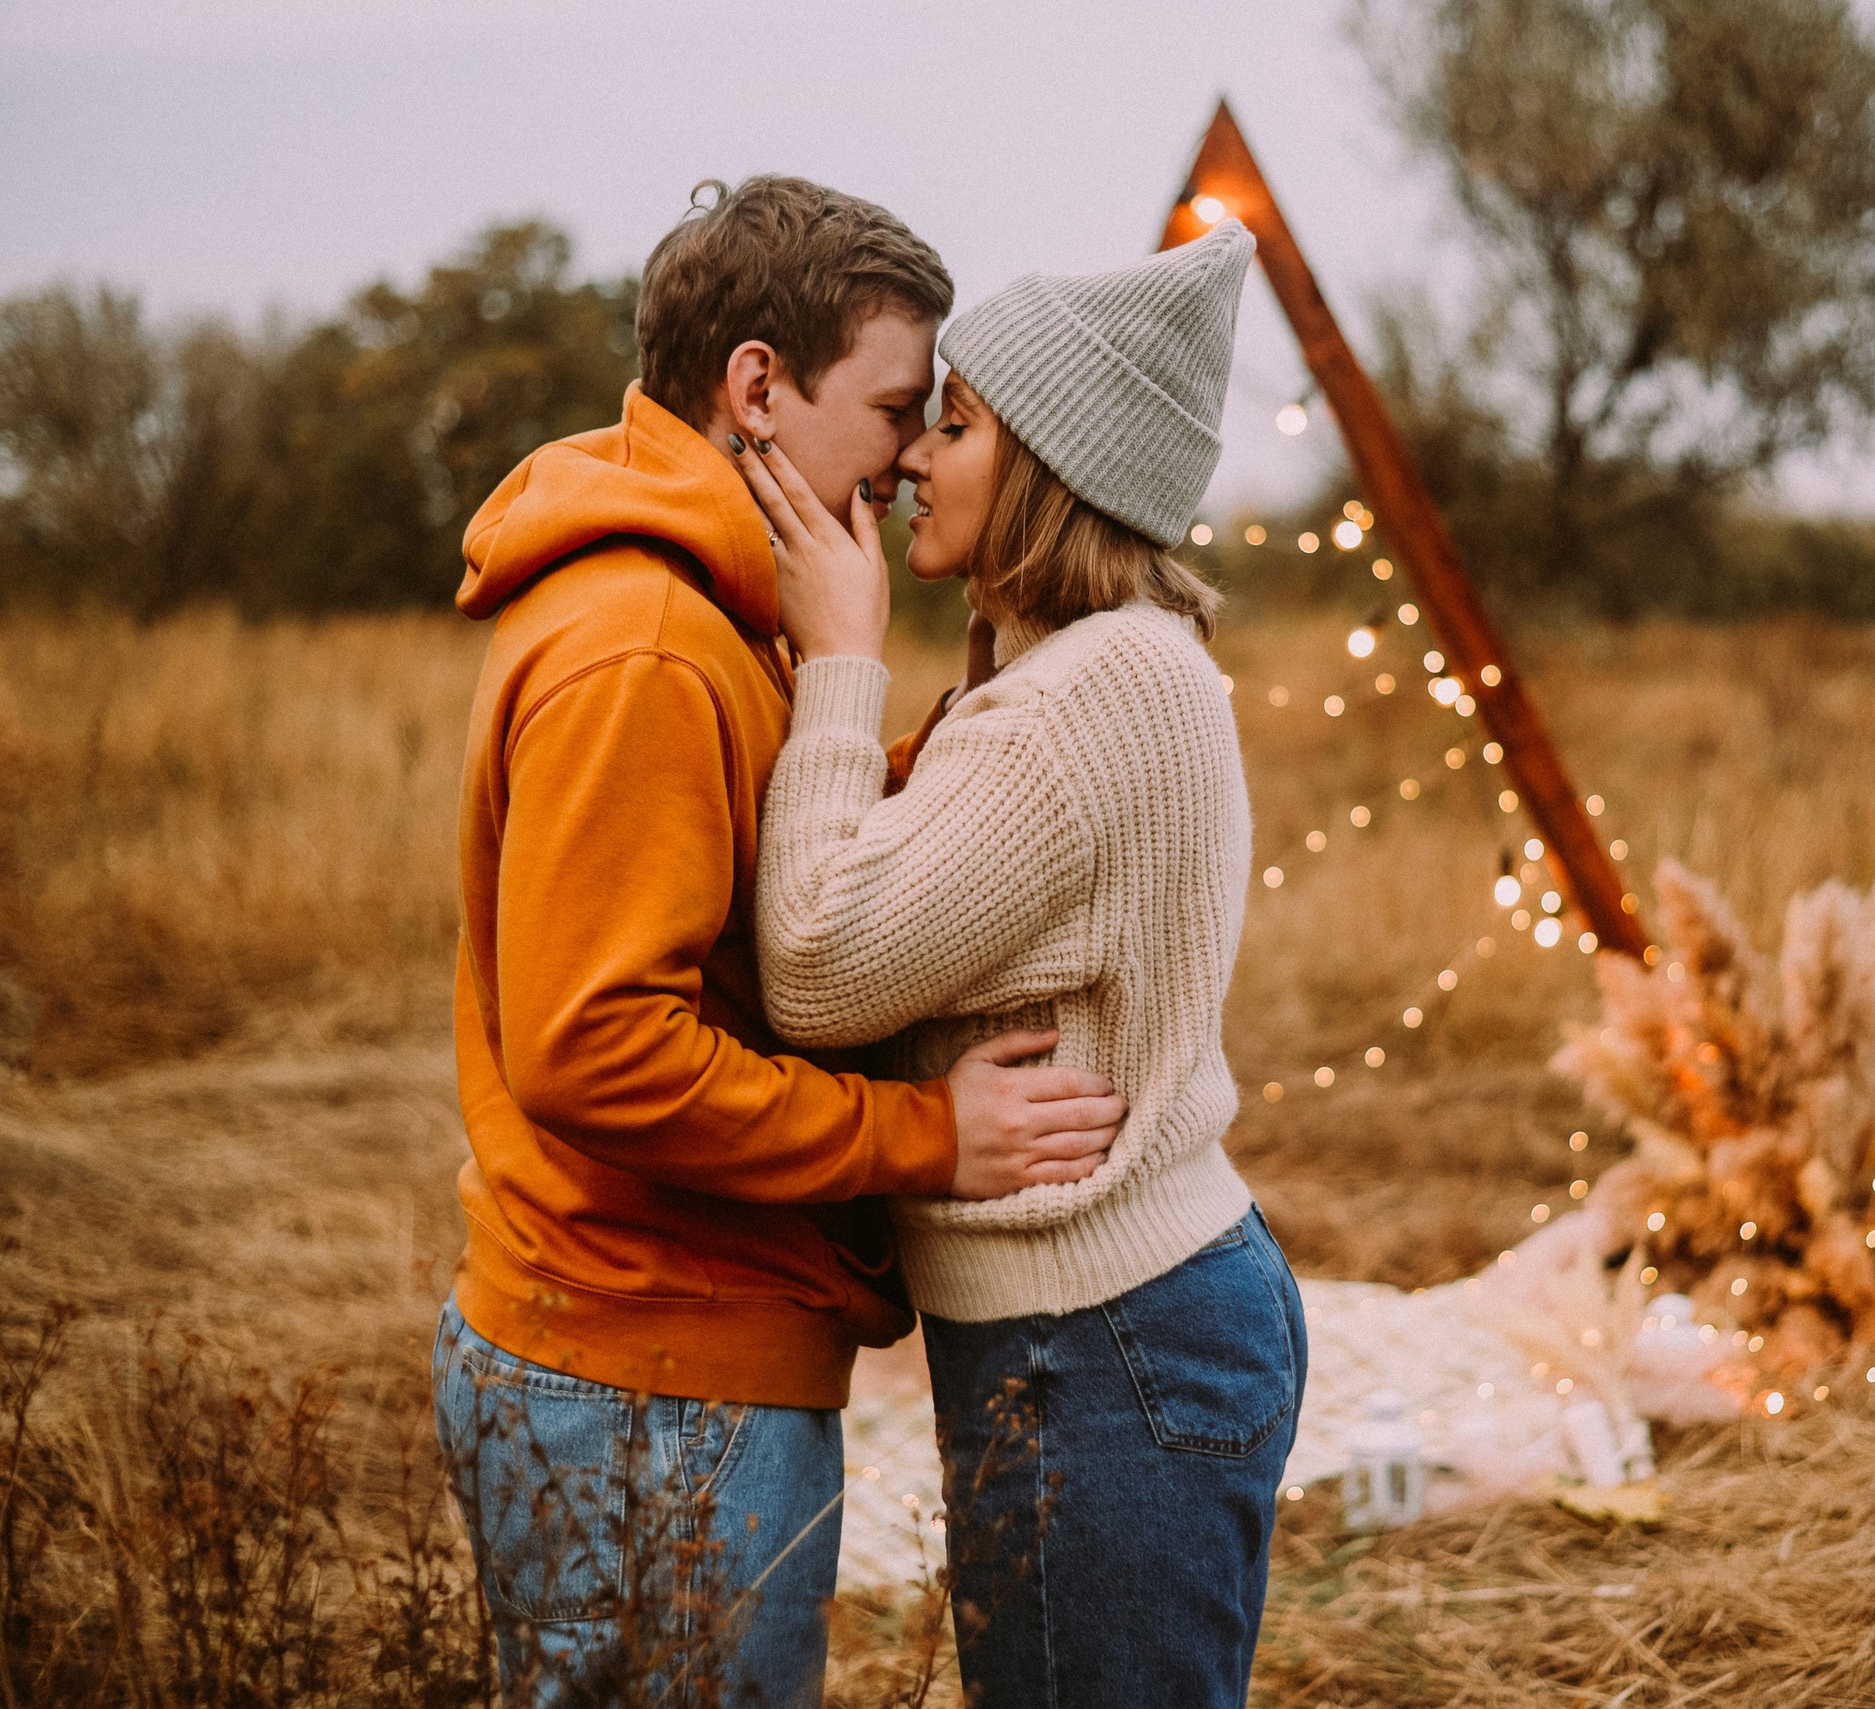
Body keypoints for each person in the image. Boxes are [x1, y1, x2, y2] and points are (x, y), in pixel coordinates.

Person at [430, 175, 1127, 1709]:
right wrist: (927, 1135)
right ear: (758, 384)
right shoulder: (650, 644)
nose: (901, 457)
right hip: (645, 1377)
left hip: (655, 1355)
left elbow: (732, 873)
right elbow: (599, 1046)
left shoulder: (713, 611)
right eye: (892, 408)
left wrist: (927, 767)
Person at [732, 220, 1306, 1708]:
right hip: (1108, 1328)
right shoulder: (1101, 666)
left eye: (963, 424)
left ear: (1055, 467)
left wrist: (840, 660)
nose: (916, 454)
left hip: (1104, 1344)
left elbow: (816, 961)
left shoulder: (1094, 693)